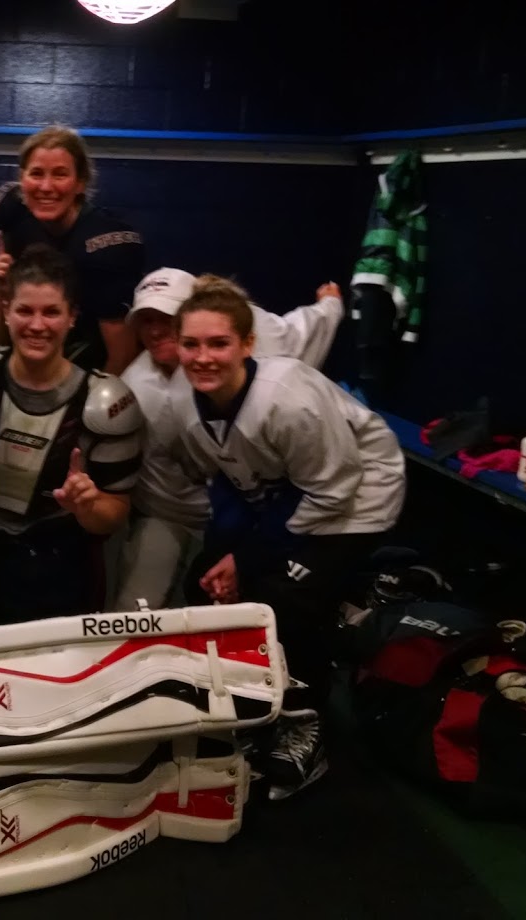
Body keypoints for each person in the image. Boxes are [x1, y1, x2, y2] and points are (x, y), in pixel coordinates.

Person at [167, 274, 405, 800]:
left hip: (357, 498)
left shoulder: (287, 398)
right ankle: (248, 708)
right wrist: (226, 559)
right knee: (203, 583)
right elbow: (229, 484)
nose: (203, 357)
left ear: (247, 344)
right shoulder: (187, 406)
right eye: (191, 344)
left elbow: (333, 488)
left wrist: (247, 560)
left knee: (283, 597)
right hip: (288, 497)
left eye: (218, 343)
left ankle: (305, 727)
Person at [113, 268, 344, 611]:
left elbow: (304, 330)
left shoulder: (257, 338)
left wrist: (330, 305)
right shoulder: (134, 391)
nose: (157, 330)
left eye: (168, 318)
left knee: (242, 603)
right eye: (146, 320)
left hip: (251, 508)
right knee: (137, 609)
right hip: (170, 511)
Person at [0, 245, 144, 624]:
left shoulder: (106, 403)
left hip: (62, 566)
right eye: (25, 310)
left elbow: (114, 514)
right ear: (6, 311)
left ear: (72, 317)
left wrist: (87, 506)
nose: (37, 325)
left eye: (51, 312)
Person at [0, 125, 144, 374]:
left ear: (80, 183)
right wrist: (1, 291)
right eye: (36, 173)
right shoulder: (10, 219)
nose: (46, 186)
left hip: (87, 375)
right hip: (26, 374)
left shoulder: (104, 245)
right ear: (21, 178)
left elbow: (122, 356)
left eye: (60, 174)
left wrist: (87, 393)